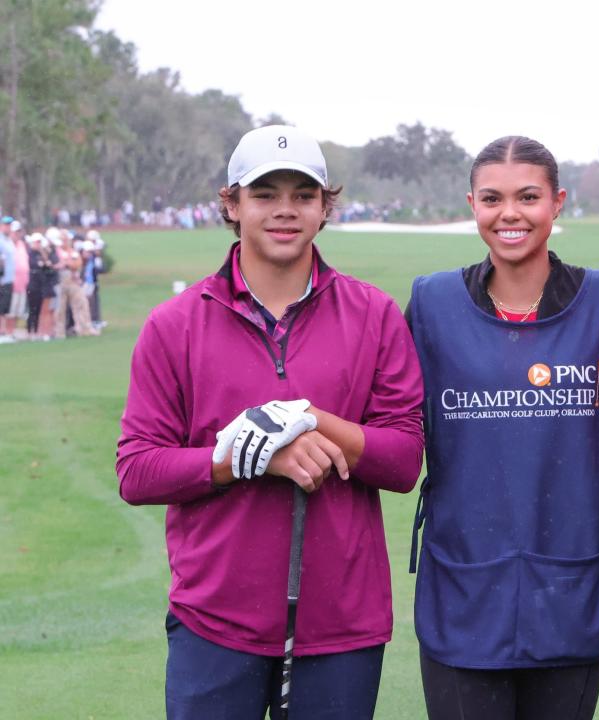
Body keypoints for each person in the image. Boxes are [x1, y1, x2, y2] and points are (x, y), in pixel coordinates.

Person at [116, 124, 424, 720]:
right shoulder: (175, 324)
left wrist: (312, 420)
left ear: (324, 207)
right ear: (231, 204)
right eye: (264, 194)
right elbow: (137, 470)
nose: (285, 211)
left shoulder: (374, 314)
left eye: (304, 195)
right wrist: (244, 458)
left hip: (341, 625)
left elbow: (403, 460)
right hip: (214, 621)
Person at [407, 136, 599, 719]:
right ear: (472, 204)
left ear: (557, 202)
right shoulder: (432, 304)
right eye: (492, 198)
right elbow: (392, 423)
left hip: (572, 588)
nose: (510, 213)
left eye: (528, 196)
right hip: (463, 592)